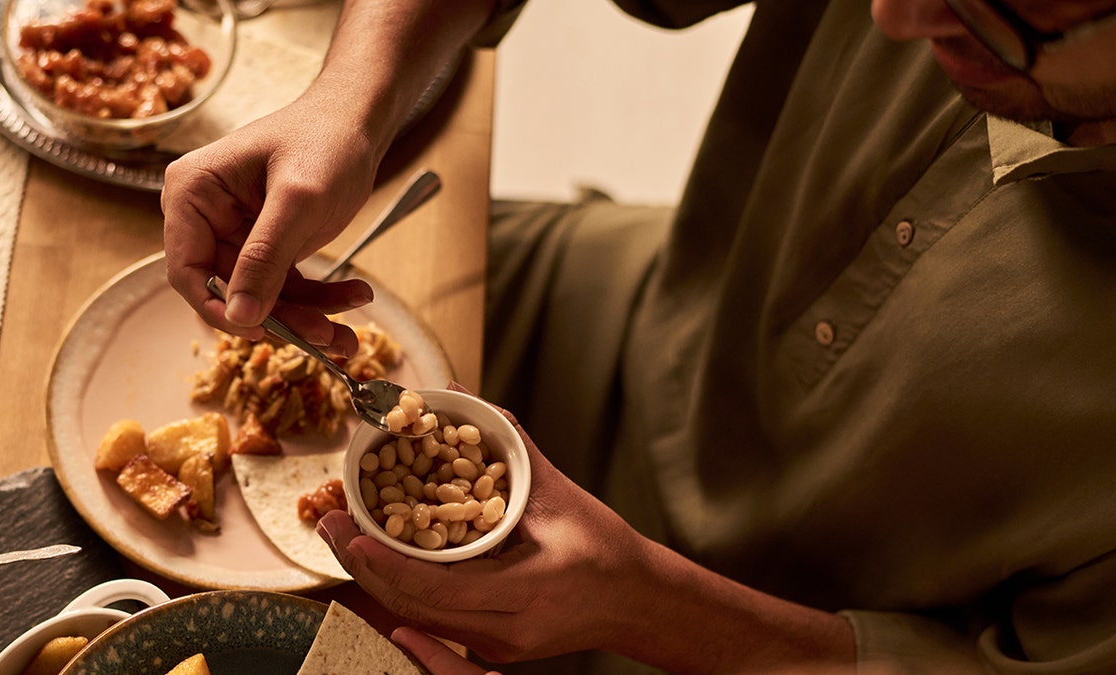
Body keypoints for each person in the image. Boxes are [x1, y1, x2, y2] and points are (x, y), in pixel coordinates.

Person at [161, 0, 1116, 673]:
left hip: (770, 640)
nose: (892, 18)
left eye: (1002, 8)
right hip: (625, 311)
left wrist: (641, 607)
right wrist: (352, 101)